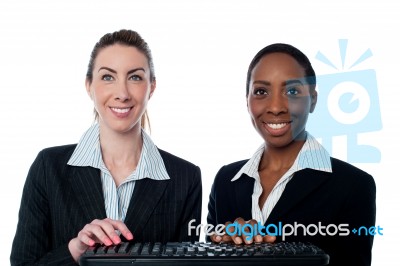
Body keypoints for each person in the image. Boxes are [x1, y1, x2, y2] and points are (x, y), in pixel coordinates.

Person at [11, 29, 202, 265]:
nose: (122, 93)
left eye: (135, 77)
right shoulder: (49, 168)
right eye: (108, 77)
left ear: (151, 87)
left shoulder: (185, 178)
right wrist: (74, 249)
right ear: (89, 85)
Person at [207, 43, 376, 266]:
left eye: (292, 91)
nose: (276, 107)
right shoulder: (225, 181)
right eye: (261, 92)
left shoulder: (354, 185)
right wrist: (226, 248)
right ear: (247, 100)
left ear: (313, 100)